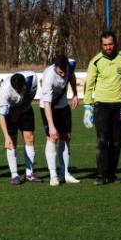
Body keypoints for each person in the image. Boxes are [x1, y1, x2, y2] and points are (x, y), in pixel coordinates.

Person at [83, 31, 121, 185]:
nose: (108, 47)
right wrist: (87, 106)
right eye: (105, 45)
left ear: (115, 43)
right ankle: (101, 175)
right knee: (102, 140)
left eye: (110, 44)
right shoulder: (95, 61)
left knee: (116, 141)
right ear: (101, 45)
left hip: (120, 105)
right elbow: (89, 84)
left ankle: (112, 174)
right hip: (101, 105)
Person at [40, 55, 80, 186]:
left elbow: (72, 76)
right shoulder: (48, 76)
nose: (63, 75)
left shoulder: (71, 65)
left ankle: (65, 173)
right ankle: (53, 175)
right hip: (48, 107)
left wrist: (75, 94)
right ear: (55, 66)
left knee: (66, 137)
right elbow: (46, 103)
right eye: (60, 72)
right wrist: (51, 126)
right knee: (52, 138)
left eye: (65, 71)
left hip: (63, 106)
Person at [0, 71, 43, 185]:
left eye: (23, 89)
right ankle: (14, 175)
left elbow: (32, 93)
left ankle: (29, 174)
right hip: (10, 113)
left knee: (30, 138)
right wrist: (6, 137)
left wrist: (21, 110)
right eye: (18, 92)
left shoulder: (32, 78)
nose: (21, 93)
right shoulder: (5, 91)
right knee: (12, 142)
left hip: (26, 110)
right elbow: (1, 116)